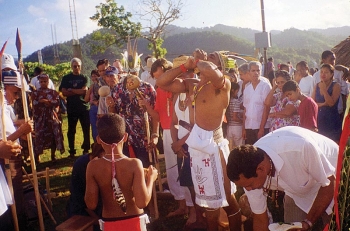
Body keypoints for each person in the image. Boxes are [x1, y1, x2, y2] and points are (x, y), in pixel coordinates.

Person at [156, 49, 241, 231]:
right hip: (197, 150)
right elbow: (161, 82)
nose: (206, 59)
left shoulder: (223, 83)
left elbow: (209, 71)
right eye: (206, 57)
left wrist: (200, 61)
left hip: (214, 148)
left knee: (227, 200)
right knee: (209, 203)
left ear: (220, 67)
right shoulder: (192, 85)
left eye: (212, 58)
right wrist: (185, 65)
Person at [227, 126, 338, 231]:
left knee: (335, 225)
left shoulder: (299, 149)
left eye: (249, 185)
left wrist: (308, 222)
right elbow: (260, 218)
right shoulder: (248, 172)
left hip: (333, 180)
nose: (248, 189)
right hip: (296, 191)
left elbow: (329, 185)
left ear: (261, 169)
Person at [85, 113, 158, 231]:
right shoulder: (134, 164)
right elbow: (142, 202)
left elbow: (91, 204)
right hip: (135, 221)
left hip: (110, 223)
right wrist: (151, 179)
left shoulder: (93, 167)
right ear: (125, 137)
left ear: (98, 139)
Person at [0, 58, 34, 230]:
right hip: (6, 161)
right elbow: (4, 142)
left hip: (13, 156)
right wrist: (21, 131)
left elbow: (7, 127)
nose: (15, 98)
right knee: (14, 201)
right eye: (14, 93)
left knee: (17, 197)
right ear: (4, 88)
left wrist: (21, 125)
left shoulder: (5, 105)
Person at [107, 75, 158, 168]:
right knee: (126, 171)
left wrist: (155, 135)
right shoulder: (117, 89)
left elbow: (156, 115)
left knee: (146, 170)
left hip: (144, 139)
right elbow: (114, 115)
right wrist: (111, 106)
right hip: (124, 139)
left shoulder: (148, 88)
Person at [59, 57, 90, 157]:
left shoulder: (84, 77)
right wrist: (77, 91)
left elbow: (84, 91)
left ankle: (86, 149)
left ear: (81, 66)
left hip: (84, 107)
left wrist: (71, 90)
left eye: (78, 66)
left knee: (86, 129)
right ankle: (72, 151)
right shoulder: (66, 78)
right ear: (71, 67)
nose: (76, 68)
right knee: (71, 130)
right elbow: (63, 92)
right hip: (72, 107)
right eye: (74, 66)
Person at [32, 74, 65, 162]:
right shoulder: (35, 93)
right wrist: (43, 102)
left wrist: (47, 101)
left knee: (54, 134)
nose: (43, 83)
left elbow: (57, 102)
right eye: (41, 82)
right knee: (38, 136)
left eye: (45, 81)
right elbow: (34, 103)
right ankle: (37, 156)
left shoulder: (53, 92)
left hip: (51, 117)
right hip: (40, 118)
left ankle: (53, 155)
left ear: (48, 81)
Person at [243, 61, 272, 145]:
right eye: (253, 71)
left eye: (258, 70)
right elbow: (245, 109)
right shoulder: (247, 88)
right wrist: (244, 129)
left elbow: (266, 107)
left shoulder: (265, 86)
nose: (256, 73)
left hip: (262, 127)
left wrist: (261, 128)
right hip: (249, 126)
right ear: (248, 73)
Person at [313, 50, 348, 117]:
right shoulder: (316, 76)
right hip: (319, 112)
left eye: (334, 59)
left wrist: (344, 110)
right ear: (324, 60)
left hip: (337, 111)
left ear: (332, 74)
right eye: (331, 59)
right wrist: (322, 104)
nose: (333, 61)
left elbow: (344, 93)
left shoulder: (340, 73)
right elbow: (313, 98)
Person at [312, 64, 342, 142]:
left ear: (332, 74)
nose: (323, 74)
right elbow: (312, 103)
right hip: (319, 120)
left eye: (326, 72)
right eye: (321, 72)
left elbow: (331, 103)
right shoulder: (317, 86)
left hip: (332, 121)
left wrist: (324, 90)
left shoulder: (336, 86)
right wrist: (324, 104)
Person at [226, 81, 243, 150]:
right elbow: (235, 117)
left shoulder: (227, 101)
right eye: (237, 91)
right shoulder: (236, 101)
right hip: (237, 127)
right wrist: (243, 121)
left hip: (229, 127)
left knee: (230, 149)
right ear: (234, 90)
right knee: (240, 149)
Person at [84, 69, 100, 142]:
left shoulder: (102, 85)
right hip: (93, 109)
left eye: (95, 76)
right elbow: (86, 99)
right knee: (94, 127)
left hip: (101, 108)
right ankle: (96, 144)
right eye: (92, 76)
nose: (94, 78)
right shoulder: (92, 86)